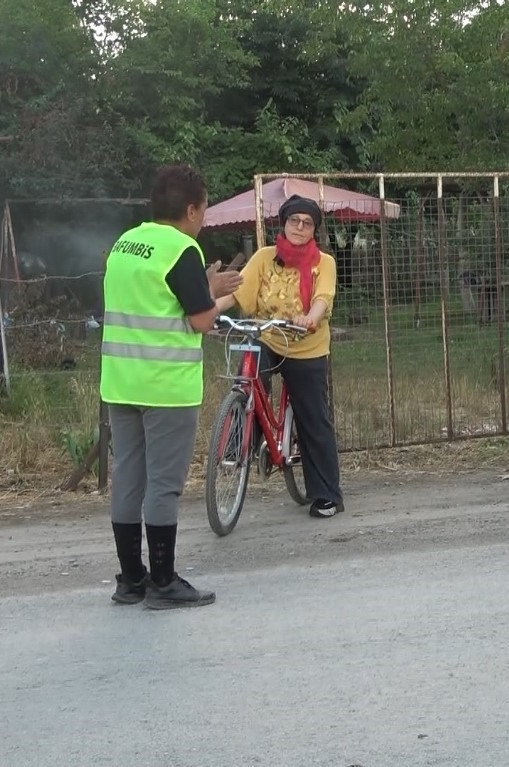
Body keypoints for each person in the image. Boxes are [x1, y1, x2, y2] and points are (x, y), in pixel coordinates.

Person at [101, 164, 243, 608]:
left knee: (128, 478)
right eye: (202, 210)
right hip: (165, 387)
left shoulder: (126, 243)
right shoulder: (181, 249)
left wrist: (200, 288)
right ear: (191, 210)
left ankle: (130, 580)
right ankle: (163, 581)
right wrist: (217, 291)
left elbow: (154, 302)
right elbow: (200, 320)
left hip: (121, 382)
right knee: (164, 485)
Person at [214, 195, 343, 518]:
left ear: (314, 229)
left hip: (306, 344)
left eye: (307, 222)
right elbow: (236, 294)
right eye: (294, 221)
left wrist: (310, 317)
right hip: (268, 334)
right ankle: (241, 437)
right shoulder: (264, 257)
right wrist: (206, 312)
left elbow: (323, 298)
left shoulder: (323, 262)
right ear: (283, 224)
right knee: (248, 373)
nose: (299, 227)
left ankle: (326, 494)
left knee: (313, 417)